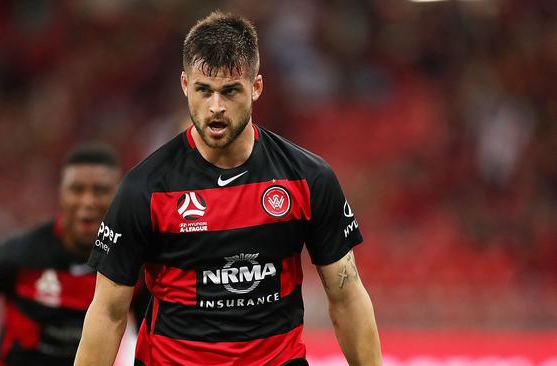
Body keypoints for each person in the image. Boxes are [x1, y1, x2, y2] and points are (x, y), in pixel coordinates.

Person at [75, 11, 382, 366]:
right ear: (185, 86)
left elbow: (345, 297)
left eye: (230, 91)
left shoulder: (307, 178)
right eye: (204, 90)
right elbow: (108, 313)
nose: (216, 108)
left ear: (256, 88)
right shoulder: (144, 188)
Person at [0, 143, 123, 366]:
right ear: (61, 194)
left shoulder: (128, 262)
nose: (88, 202)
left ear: (119, 195)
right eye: (77, 190)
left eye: (100, 190)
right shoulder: (23, 253)